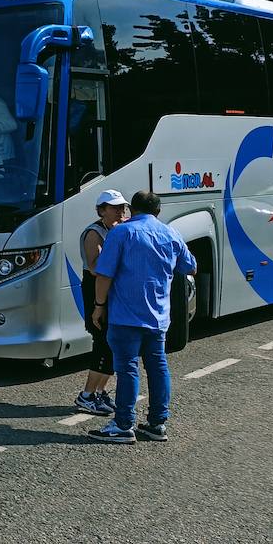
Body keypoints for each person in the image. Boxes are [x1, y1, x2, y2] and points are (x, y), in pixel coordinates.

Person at [87, 190, 197, 445]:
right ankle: (158, 424)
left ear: (131, 210)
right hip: (158, 316)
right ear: (157, 211)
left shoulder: (121, 233)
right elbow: (190, 266)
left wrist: (98, 306)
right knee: (158, 367)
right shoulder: (170, 233)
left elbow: (104, 274)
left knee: (128, 369)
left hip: (126, 315)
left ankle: (123, 424)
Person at [74, 189, 131, 416]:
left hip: (113, 289)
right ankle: (87, 395)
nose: (120, 211)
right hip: (95, 289)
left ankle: (99, 392)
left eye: (122, 207)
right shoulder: (94, 233)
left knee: (112, 343)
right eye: (115, 207)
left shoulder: (118, 229)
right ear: (101, 210)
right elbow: (97, 267)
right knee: (103, 342)